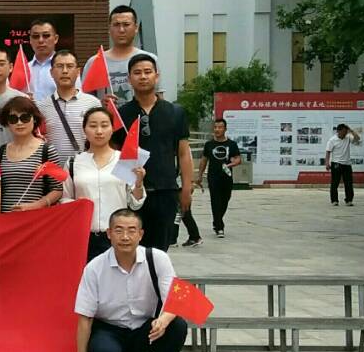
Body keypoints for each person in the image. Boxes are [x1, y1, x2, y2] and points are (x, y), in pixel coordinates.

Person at [74, 208, 187, 352]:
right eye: (118, 230)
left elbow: (175, 298)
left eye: (131, 230)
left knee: (177, 325)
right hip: (109, 330)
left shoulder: (157, 258)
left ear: (141, 234)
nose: (125, 237)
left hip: (145, 330)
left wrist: (163, 320)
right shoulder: (94, 268)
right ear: (109, 233)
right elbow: (85, 317)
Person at [117, 54, 191, 252]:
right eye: (137, 73)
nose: (143, 77)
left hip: (165, 190)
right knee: (131, 248)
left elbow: (183, 153)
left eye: (148, 72)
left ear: (157, 76)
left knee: (159, 251)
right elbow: (114, 152)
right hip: (132, 193)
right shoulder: (121, 114)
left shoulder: (175, 112)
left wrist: (186, 187)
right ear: (129, 78)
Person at [63, 107, 146, 261]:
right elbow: (65, 198)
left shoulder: (124, 160)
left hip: (118, 237)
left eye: (104, 125)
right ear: (84, 130)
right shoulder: (74, 163)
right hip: (84, 236)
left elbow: (135, 204)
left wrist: (139, 183)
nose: (99, 131)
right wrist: (77, 204)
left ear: (112, 129)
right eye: (93, 126)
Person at [0, 96, 65, 211]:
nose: (19, 123)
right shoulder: (1, 152)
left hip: (35, 218)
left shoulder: (47, 150)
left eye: (25, 118)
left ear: (34, 119)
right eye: (13, 119)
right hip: (5, 218)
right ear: (7, 122)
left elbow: (58, 189)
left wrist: (37, 205)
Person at [80, 6, 158, 106]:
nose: (121, 30)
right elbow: (84, 101)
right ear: (109, 28)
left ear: (136, 28)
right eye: (116, 25)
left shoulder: (149, 60)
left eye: (126, 25)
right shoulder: (95, 61)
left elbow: (158, 96)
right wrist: (100, 105)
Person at [36, 50, 101, 166]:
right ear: (51, 72)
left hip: (85, 168)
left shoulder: (93, 103)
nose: (65, 71)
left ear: (78, 71)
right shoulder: (41, 107)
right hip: (53, 170)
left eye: (70, 66)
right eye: (60, 66)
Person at [196, 118, 241, 238]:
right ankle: (219, 227)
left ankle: (217, 221)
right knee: (215, 201)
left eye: (220, 127)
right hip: (213, 177)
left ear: (225, 129)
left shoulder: (231, 144)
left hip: (227, 177)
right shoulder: (209, 145)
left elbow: (238, 159)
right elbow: (204, 160)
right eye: (215, 127)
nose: (217, 130)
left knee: (225, 200)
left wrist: (231, 164)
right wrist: (199, 175)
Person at [325, 123, 360, 206]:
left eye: (346, 132)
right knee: (335, 183)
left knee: (348, 183)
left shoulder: (348, 137)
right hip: (336, 163)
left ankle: (349, 200)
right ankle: (334, 200)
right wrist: (327, 163)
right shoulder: (332, 140)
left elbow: (357, 138)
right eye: (344, 132)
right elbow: (328, 151)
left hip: (347, 164)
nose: (345, 133)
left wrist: (351, 131)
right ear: (338, 131)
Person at [27, 19, 60, 101]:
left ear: (56, 39)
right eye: (35, 36)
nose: (41, 40)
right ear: (30, 40)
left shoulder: (66, 67)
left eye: (46, 36)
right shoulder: (24, 69)